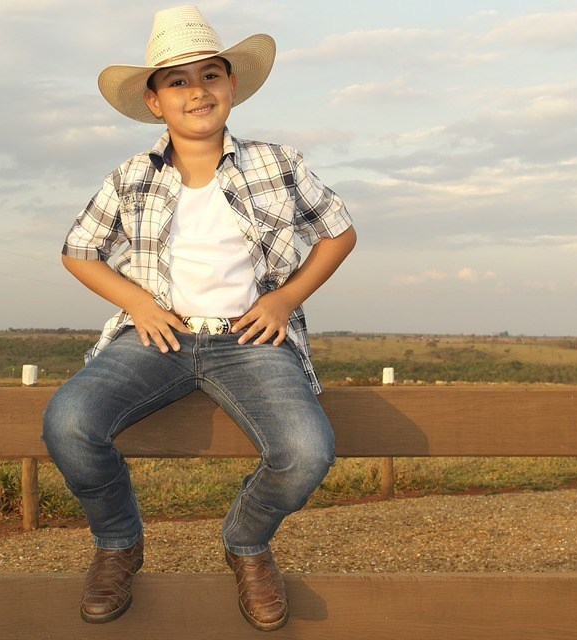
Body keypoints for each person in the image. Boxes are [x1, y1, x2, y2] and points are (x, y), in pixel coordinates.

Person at [42, 5, 356, 631]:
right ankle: (117, 542)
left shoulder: (279, 163)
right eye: (177, 81)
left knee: (306, 450)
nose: (197, 91)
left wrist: (285, 299)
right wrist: (137, 304)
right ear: (155, 102)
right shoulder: (131, 177)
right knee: (69, 422)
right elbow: (79, 251)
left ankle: (246, 542)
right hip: (156, 336)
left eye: (210, 76)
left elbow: (338, 235)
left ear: (232, 86)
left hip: (250, 338)